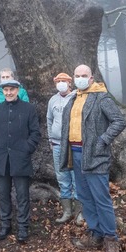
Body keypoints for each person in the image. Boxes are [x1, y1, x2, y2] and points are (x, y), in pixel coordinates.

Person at [59, 64, 126, 252]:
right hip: (76, 154)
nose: (80, 78)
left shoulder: (101, 97)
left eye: (84, 75)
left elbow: (119, 121)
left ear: (91, 78)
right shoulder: (74, 98)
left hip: (95, 157)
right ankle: (95, 233)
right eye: (77, 75)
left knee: (101, 199)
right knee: (85, 197)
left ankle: (111, 240)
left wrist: (102, 141)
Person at [0, 79, 40, 244]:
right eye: (6, 90)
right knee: (3, 194)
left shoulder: (28, 109)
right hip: (1, 158)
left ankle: (23, 227)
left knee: (22, 195)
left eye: (12, 90)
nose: (9, 93)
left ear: (17, 90)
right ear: (2, 91)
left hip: (21, 158)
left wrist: (27, 148)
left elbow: (35, 133)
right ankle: (5, 224)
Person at [47, 72, 77, 224]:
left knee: (76, 176)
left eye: (64, 81)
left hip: (73, 143)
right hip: (57, 144)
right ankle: (67, 211)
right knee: (62, 176)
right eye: (58, 81)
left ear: (69, 83)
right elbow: (49, 119)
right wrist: (50, 139)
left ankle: (80, 212)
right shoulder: (53, 100)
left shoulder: (76, 97)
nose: (61, 84)